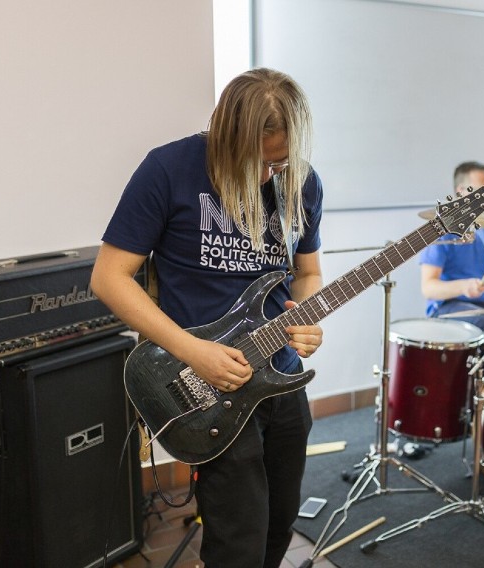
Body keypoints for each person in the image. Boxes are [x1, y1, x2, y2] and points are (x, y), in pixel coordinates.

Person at [90, 68, 324, 568]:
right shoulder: (168, 169)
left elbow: (308, 272)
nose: (267, 176)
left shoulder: (300, 182)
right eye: (256, 161)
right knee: (237, 539)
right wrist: (191, 351)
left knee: (280, 523)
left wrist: (303, 317)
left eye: (277, 162)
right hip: (205, 387)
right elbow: (109, 277)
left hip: (280, 379)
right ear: (221, 127)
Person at [418, 161, 484, 378]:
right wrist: (464, 286)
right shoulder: (440, 229)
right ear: (462, 192)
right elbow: (428, 288)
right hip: (448, 307)